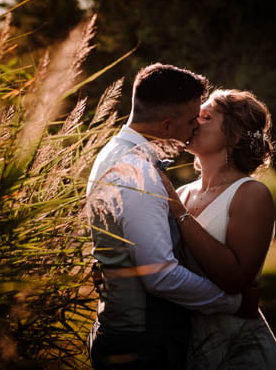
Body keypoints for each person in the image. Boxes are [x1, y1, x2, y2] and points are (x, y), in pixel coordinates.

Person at [85, 64, 247, 370]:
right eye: (190, 122)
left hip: (124, 333)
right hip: (144, 343)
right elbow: (160, 274)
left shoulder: (111, 152)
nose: (193, 130)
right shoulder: (139, 172)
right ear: (167, 126)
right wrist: (230, 302)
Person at [158, 88, 276, 369]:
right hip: (184, 344)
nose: (192, 121)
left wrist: (177, 210)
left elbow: (233, 280)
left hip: (237, 348)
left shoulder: (250, 193)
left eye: (204, 116)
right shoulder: (182, 193)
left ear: (234, 135)